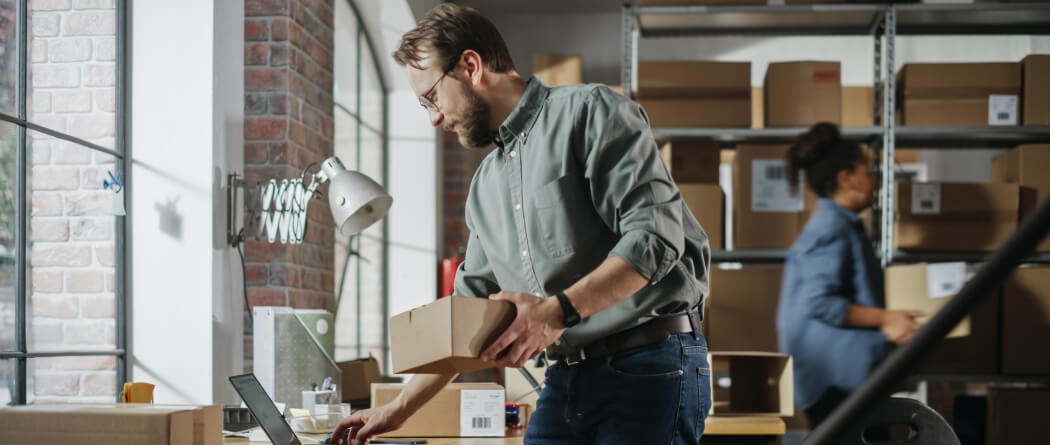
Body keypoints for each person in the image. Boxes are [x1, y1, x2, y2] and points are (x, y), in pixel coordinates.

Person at [332, 3, 711, 445]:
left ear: (471, 66)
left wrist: (555, 313)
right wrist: (396, 410)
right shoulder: (485, 186)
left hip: (649, 363)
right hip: (567, 378)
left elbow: (656, 239)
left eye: (431, 97)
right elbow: (466, 313)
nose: (433, 118)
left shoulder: (590, 113)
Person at [776, 123, 922, 429]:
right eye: (867, 172)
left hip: (843, 383)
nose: (874, 180)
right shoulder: (830, 229)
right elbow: (819, 303)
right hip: (836, 387)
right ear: (846, 180)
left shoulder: (842, 226)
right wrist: (884, 319)